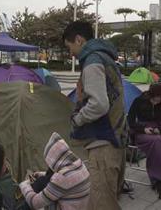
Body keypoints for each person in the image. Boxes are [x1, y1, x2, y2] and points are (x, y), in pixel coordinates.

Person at [62, 21, 126, 210]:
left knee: (102, 203)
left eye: (69, 47)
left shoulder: (92, 61)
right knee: (104, 198)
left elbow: (99, 105)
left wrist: (77, 118)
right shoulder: (106, 58)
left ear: (79, 40)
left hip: (103, 143)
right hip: (116, 138)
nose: (70, 53)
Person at [127, 84, 161, 199]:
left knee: (157, 141)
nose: (157, 100)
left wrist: (159, 129)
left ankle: (158, 180)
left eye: (160, 98)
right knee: (157, 142)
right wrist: (143, 129)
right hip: (141, 132)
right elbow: (130, 120)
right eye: (155, 98)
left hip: (158, 131)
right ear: (150, 95)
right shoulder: (139, 101)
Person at [19, 132, 90, 209]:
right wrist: (42, 174)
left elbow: (34, 203)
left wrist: (24, 185)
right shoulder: (79, 164)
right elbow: (69, 180)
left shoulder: (61, 178)